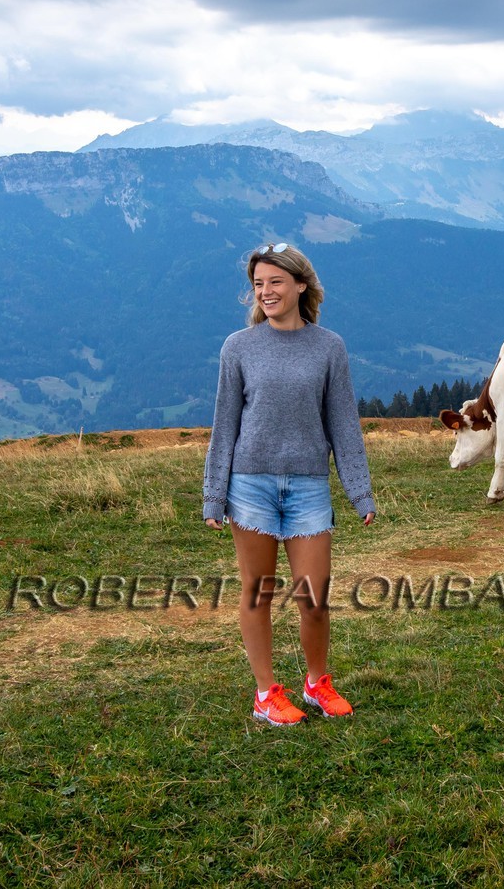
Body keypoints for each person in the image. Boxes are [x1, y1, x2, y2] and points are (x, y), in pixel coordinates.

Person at [202, 241, 376, 726]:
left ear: (302, 284)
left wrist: (359, 490)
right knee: (257, 591)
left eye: (276, 282)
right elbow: (226, 425)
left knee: (314, 595)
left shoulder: (329, 347)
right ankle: (265, 695)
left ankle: (317, 684)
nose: (266, 292)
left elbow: (343, 423)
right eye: (259, 284)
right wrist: (214, 494)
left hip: (308, 487)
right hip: (249, 485)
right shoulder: (237, 348)